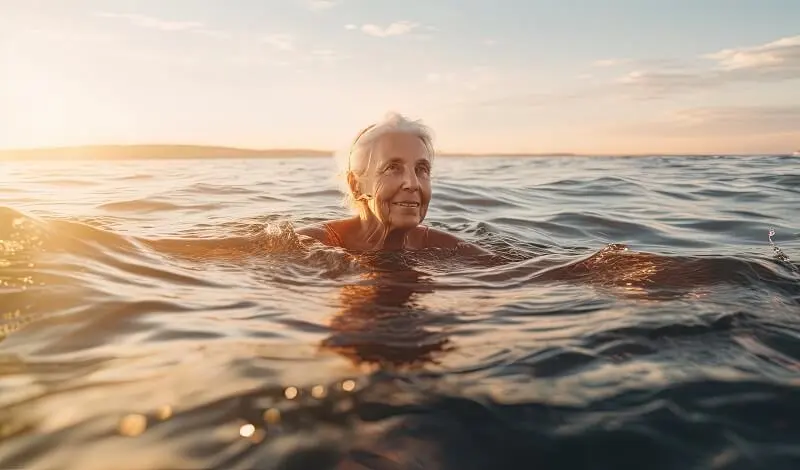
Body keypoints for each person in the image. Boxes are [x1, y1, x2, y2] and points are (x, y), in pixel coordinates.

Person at [296, 112, 490, 255]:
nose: (412, 184)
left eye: (421, 169)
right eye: (393, 168)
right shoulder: (310, 244)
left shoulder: (444, 247)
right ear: (356, 186)